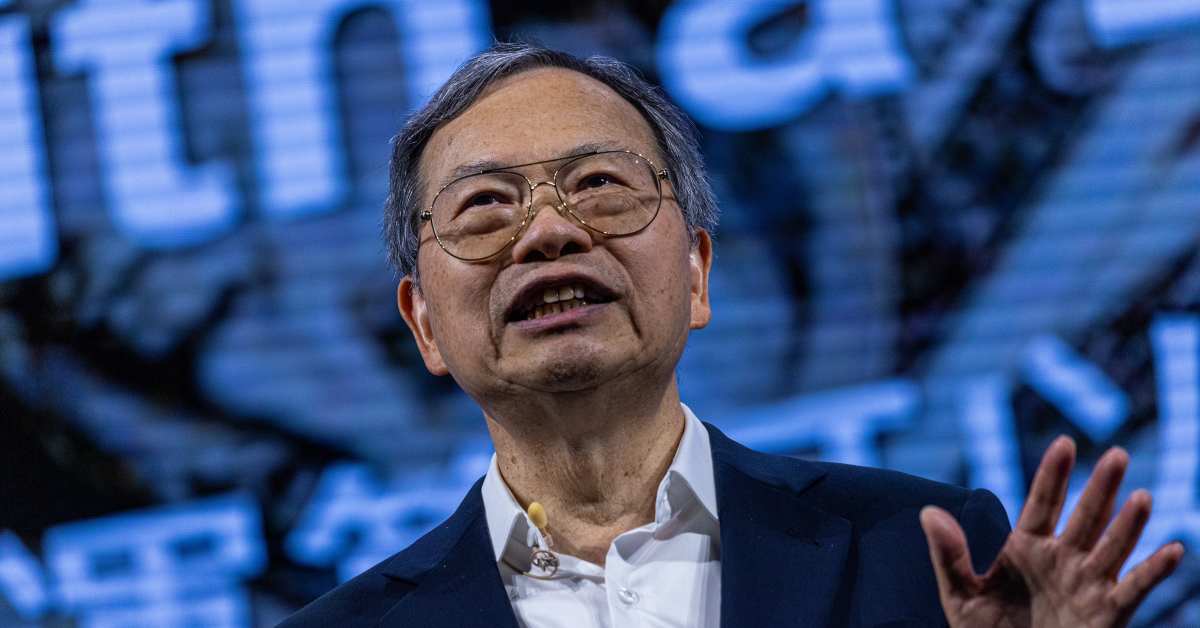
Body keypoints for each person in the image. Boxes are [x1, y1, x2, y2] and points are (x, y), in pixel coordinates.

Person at [279, 43, 1184, 628]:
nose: (549, 232)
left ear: (697, 273)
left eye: (600, 185)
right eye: (484, 205)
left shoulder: (924, 551)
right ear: (424, 324)